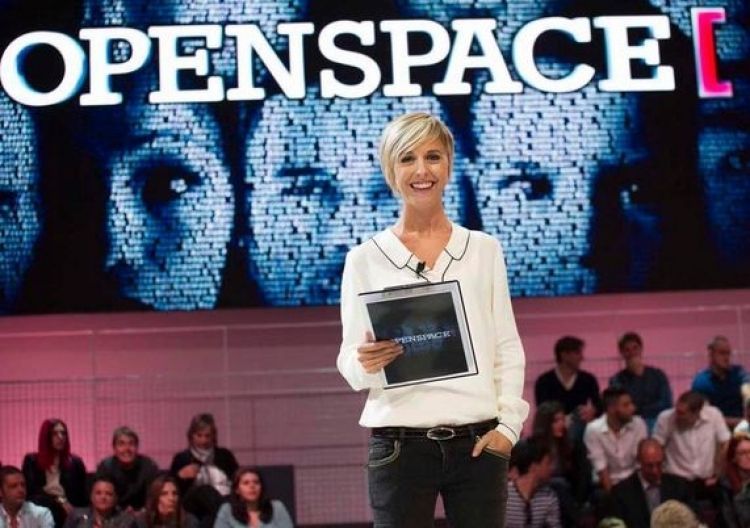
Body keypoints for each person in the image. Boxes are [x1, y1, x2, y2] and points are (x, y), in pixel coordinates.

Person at [337, 112, 528, 527]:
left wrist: (508, 428)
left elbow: (506, 346)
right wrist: (366, 361)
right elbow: (350, 364)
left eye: (433, 157)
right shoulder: (363, 259)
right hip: (399, 446)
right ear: (390, 170)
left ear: (449, 164)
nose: (421, 170)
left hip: (478, 442)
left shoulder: (484, 249)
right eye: (407, 158)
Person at [653, 391, 731, 506]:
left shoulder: (714, 415)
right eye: (676, 410)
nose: (676, 415)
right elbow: (657, 447)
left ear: (697, 412)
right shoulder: (665, 418)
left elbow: (725, 443)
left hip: (706, 481)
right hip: (676, 481)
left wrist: (717, 473)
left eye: (681, 413)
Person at [607, 439, 695, 528]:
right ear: (639, 461)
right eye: (649, 465)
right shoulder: (621, 494)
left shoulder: (679, 487)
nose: (655, 471)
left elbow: (692, 520)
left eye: (659, 464)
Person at [169, 414, 237, 525]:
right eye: (199, 435)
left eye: (207, 436)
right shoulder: (182, 458)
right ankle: (229, 519)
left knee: (210, 518)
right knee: (205, 490)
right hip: (194, 503)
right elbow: (170, 487)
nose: (203, 440)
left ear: (213, 436)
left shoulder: (225, 455)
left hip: (223, 499)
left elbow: (237, 479)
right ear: (191, 436)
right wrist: (180, 476)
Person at [530, 401, 590, 527]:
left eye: (563, 420)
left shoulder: (568, 444)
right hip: (540, 489)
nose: (562, 424)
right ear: (545, 424)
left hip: (565, 492)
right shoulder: (534, 447)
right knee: (559, 484)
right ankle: (580, 520)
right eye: (556, 421)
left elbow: (580, 475)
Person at [22, 419, 87, 527]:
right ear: (46, 437)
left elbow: (81, 495)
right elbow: (31, 492)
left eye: (63, 433)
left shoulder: (75, 463)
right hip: (42, 507)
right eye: (54, 434)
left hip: (69, 511)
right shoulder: (31, 461)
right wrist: (59, 501)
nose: (60, 437)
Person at [535, 336, 602, 437]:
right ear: (564, 355)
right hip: (553, 431)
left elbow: (599, 406)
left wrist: (592, 411)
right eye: (577, 353)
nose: (582, 357)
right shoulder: (544, 381)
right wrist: (564, 420)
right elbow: (543, 411)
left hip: (581, 428)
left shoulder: (588, 379)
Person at [583, 387, 647, 492]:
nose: (633, 408)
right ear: (611, 409)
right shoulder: (593, 430)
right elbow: (601, 469)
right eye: (626, 405)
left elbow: (641, 463)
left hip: (634, 482)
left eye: (631, 403)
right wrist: (614, 498)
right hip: (607, 484)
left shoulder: (639, 424)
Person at [609, 332, 672, 431]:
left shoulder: (658, 375)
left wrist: (638, 409)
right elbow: (621, 408)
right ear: (622, 353)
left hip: (657, 423)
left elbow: (666, 403)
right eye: (627, 350)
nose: (632, 352)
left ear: (641, 349)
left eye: (635, 348)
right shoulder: (616, 380)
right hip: (631, 425)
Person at [691, 336, 750, 429]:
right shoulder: (701, 381)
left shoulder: (738, 373)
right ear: (711, 355)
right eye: (722, 353)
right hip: (714, 430)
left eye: (728, 353)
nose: (727, 358)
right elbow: (704, 415)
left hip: (742, 428)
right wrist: (740, 421)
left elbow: (747, 387)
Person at [96, 427, 159, 512]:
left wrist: (142, 512)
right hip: (113, 513)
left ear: (137, 447)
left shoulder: (149, 466)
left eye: (131, 444)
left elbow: (154, 497)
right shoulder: (106, 467)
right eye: (121, 444)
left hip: (143, 513)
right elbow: (101, 498)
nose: (127, 449)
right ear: (114, 448)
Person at [505, 438, 562, 528]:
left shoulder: (549, 496)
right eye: (548, 463)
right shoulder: (505, 494)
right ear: (534, 466)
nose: (552, 468)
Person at [213, 467, 293, 528]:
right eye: (246, 483)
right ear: (237, 490)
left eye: (256, 482)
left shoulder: (277, 507)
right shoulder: (227, 510)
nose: (252, 486)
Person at [63, 476, 136, 528]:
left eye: (108, 494)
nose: (103, 497)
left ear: (115, 498)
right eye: (98, 493)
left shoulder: (127, 522)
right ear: (91, 496)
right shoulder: (76, 516)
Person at [719, 433, 750, 528]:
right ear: (734, 458)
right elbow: (729, 520)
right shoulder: (725, 485)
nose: (749, 456)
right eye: (743, 453)